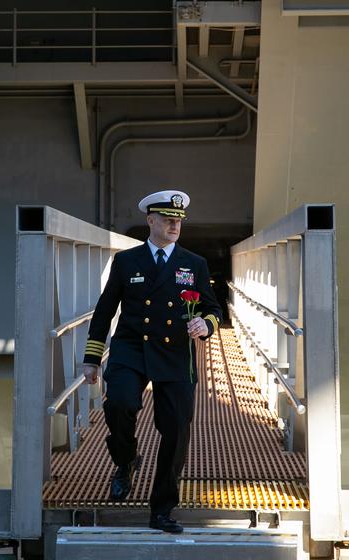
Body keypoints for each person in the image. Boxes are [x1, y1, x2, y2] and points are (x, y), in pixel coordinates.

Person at [83, 190, 222, 533]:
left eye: (178, 221)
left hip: (176, 353)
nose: (175, 225)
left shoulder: (195, 263)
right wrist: (92, 357)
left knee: (175, 429)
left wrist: (205, 324)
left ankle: (162, 509)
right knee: (119, 403)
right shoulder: (127, 261)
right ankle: (126, 461)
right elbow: (105, 309)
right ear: (151, 221)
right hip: (132, 347)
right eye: (167, 219)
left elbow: (214, 309)